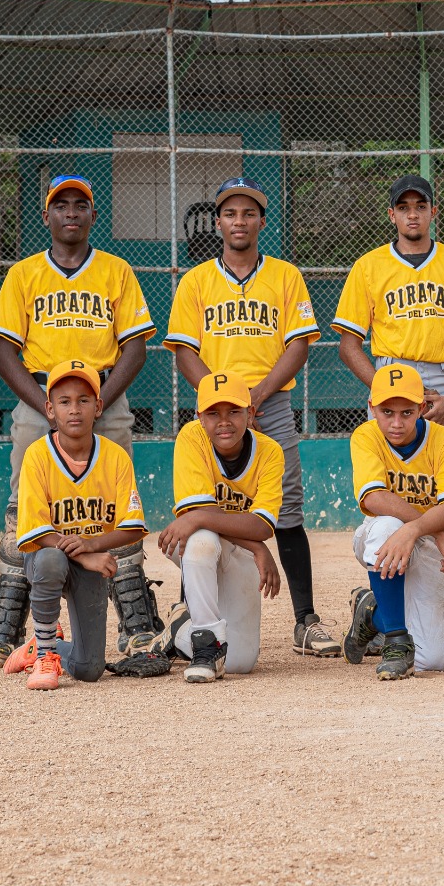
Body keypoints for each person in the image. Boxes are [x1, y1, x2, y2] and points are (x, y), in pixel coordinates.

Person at [0, 174, 160, 668]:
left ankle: (136, 624)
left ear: (93, 216)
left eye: (81, 205)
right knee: (22, 507)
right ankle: (6, 623)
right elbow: (4, 352)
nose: (71, 213)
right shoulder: (23, 274)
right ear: (47, 216)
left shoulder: (116, 271)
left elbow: (136, 346)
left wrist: (99, 401)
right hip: (43, 397)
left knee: (118, 504)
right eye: (62, 206)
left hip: (105, 395)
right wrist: (46, 407)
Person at [332, 174, 444, 654]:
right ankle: (386, 611)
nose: (412, 213)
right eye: (403, 206)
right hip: (393, 378)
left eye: (421, 205)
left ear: (434, 212)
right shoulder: (370, 267)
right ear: (391, 215)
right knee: (390, 496)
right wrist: (388, 393)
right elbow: (349, 342)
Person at [165, 177, 339, 658]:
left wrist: (256, 397)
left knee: (286, 507)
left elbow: (299, 342)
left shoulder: (284, 276)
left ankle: (305, 619)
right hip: (213, 410)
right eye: (229, 213)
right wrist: (222, 401)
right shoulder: (197, 281)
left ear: (261, 220)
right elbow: (184, 350)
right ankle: (190, 614)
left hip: (270, 403)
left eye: (248, 213)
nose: (239, 221)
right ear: (217, 221)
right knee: (201, 504)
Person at [0, 361, 148, 690]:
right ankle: (46, 656)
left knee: (89, 668)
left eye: (83, 400)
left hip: (89, 562)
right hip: (44, 557)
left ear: (98, 406)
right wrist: (86, 555)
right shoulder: (38, 455)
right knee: (52, 560)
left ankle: (36, 647)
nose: (74, 410)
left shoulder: (115, 457)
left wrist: (92, 547)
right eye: (64, 402)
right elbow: (33, 533)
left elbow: (134, 526)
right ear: (50, 410)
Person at [152, 371, 285, 683]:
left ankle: (181, 626)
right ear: (200, 417)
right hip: (198, 545)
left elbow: (262, 524)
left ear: (251, 413)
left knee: (240, 662)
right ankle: (206, 647)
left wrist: (202, 518)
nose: (224, 422)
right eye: (213, 413)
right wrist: (257, 545)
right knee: (201, 540)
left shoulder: (270, 452)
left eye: (234, 411)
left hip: (238, 551)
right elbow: (197, 516)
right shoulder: (191, 437)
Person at [341, 365, 444, 681]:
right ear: (372, 407)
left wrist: (419, 529)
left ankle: (372, 612)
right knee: (387, 525)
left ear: (422, 408)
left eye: (407, 412)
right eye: (387, 412)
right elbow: (373, 499)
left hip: (422, 538)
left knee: (432, 660)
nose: (396, 423)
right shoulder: (366, 435)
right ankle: (396, 639)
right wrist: (437, 530)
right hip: (381, 538)